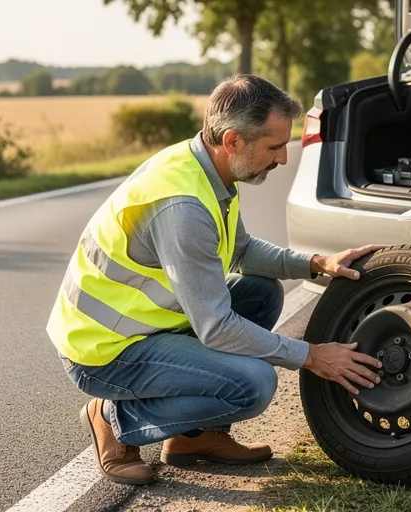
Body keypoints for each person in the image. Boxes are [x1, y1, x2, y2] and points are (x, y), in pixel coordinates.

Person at [46, 74, 384, 486]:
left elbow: (241, 251)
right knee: (254, 385)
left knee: (260, 293)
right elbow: (217, 328)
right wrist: (312, 356)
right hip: (105, 350)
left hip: (148, 327)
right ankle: (113, 418)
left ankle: (193, 438)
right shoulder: (182, 207)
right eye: (274, 147)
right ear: (233, 141)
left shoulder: (208, 169)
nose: (282, 158)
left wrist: (317, 262)